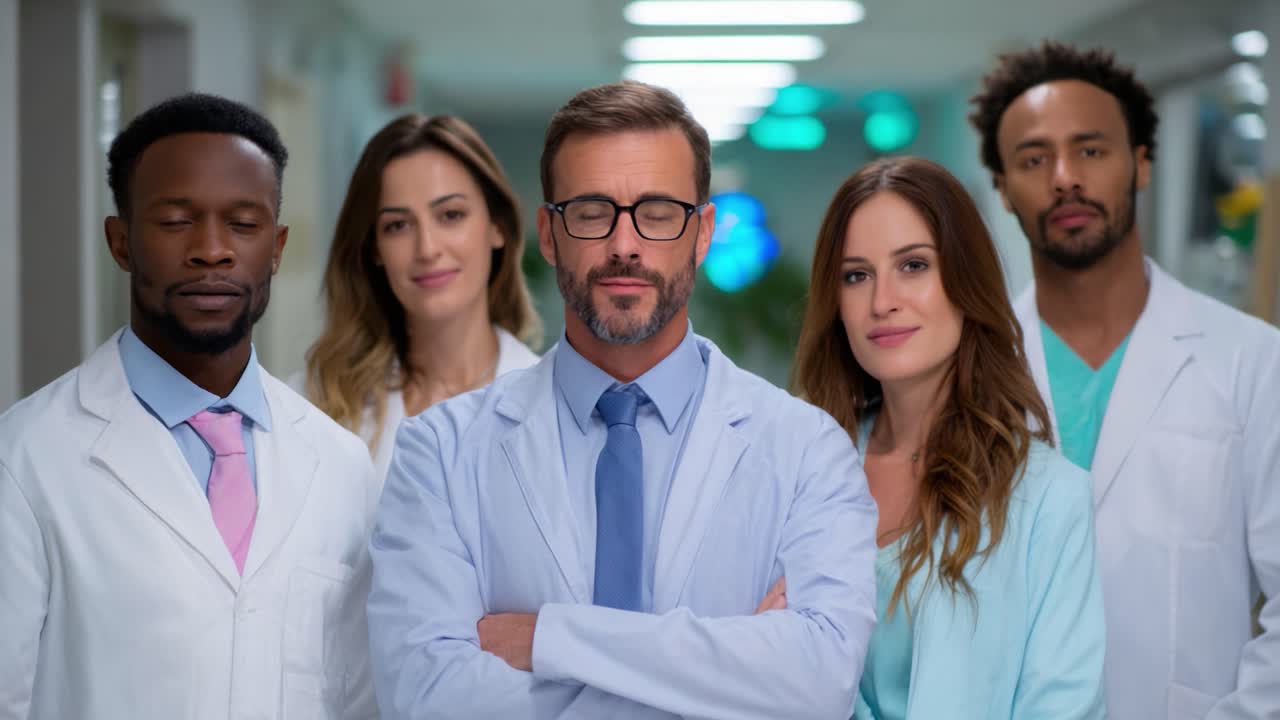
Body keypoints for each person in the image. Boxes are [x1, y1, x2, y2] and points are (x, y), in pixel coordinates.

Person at [367, 80, 878, 719]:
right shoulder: (439, 453)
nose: (625, 245)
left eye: (658, 212)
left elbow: (819, 684)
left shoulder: (807, 451)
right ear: (549, 235)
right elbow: (427, 698)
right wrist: (733, 675)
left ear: (702, 233)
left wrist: (547, 638)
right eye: (591, 211)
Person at [0, 93, 378, 719]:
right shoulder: (25, 460)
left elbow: (359, 698)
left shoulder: (340, 463)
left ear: (277, 247)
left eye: (244, 223)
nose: (212, 250)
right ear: (121, 242)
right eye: (176, 220)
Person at [971, 41, 1280, 718]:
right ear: (1001, 188)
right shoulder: (968, 374)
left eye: (1091, 150)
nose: (1063, 178)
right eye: (1032, 158)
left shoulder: (1252, 363)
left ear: (1141, 163)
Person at [792, 156, 1105, 719]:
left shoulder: (1049, 500)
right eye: (856, 275)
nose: (883, 301)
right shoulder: (801, 469)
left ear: (966, 282)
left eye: (913, 265)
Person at [297, 114, 540, 483]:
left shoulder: (551, 405)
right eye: (397, 225)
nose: (427, 249)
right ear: (374, 248)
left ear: (497, 227)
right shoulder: (309, 403)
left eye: (451, 215)